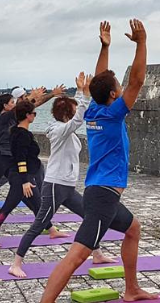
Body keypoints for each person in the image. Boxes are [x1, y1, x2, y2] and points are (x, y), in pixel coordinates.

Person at [41, 20, 159, 303]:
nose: (121, 88)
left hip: (101, 192)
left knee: (133, 229)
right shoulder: (113, 113)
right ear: (113, 95)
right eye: (117, 86)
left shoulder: (93, 109)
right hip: (104, 195)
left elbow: (98, 81)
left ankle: (131, 290)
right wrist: (142, 43)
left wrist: (105, 46)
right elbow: (138, 81)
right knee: (77, 256)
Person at [8, 71, 115, 278]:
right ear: (67, 114)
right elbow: (76, 120)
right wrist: (84, 95)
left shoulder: (68, 131)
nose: (76, 114)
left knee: (89, 217)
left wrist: (81, 93)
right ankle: (16, 263)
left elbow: (74, 118)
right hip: (56, 185)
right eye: (73, 111)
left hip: (67, 186)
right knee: (39, 224)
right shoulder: (59, 131)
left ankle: (97, 254)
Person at [0, 86, 64, 221]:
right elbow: (22, 107)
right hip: (0, 157)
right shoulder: (1, 118)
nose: (14, 105)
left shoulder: (15, 115)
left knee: (27, 189)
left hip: (13, 158)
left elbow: (31, 106)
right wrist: (31, 96)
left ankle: (45, 222)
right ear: (5, 105)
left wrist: (52, 94)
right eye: (12, 103)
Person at [0, 99, 69, 248]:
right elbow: (20, 159)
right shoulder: (22, 134)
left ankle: (52, 230)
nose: (35, 116)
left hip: (24, 177)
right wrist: (24, 181)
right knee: (8, 207)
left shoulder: (18, 131)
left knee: (38, 206)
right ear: (28, 115)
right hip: (21, 179)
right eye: (34, 113)